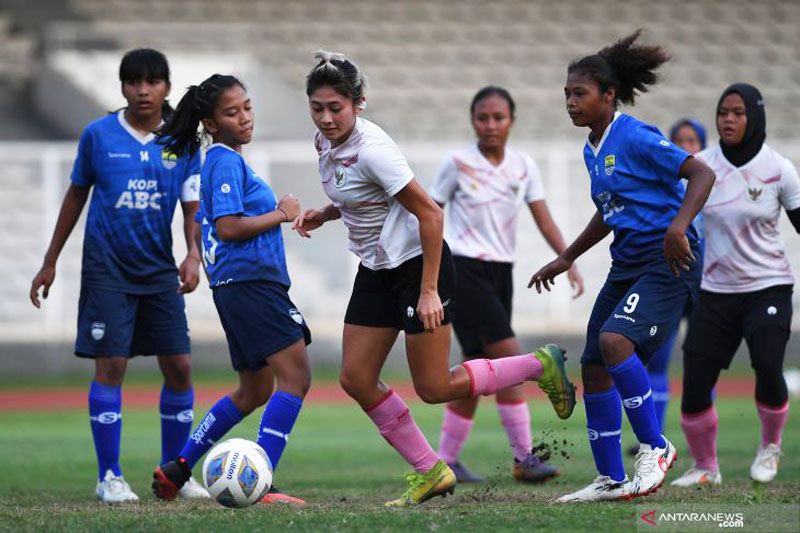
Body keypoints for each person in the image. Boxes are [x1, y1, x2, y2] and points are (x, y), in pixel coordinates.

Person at [293, 51, 576, 507]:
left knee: (434, 388)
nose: (326, 118)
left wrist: (428, 291)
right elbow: (360, 197)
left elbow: (431, 213)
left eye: (336, 108)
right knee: (356, 378)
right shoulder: (323, 142)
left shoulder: (374, 150)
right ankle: (432, 470)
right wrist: (326, 214)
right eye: (317, 108)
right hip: (377, 267)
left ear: (359, 103)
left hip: (416, 265)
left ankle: (539, 365)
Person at [530, 31, 716, 502]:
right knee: (594, 364)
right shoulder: (591, 148)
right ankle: (610, 478)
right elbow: (609, 211)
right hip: (627, 261)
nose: (570, 102)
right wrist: (568, 256)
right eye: (567, 94)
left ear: (608, 95)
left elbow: (702, 173)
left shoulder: (634, 135)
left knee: (615, 341)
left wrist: (679, 227)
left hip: (667, 259)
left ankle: (656, 447)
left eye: (580, 93)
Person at [29, 48, 208, 503]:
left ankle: (175, 473)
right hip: (107, 271)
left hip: (159, 271)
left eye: (152, 81)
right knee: (112, 366)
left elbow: (192, 206)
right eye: (133, 82)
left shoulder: (181, 142)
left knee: (180, 367)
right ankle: (109, 476)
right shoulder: (98, 135)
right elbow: (75, 196)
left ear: (167, 87)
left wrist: (193, 255)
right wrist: (50, 260)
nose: (142, 90)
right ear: (123, 87)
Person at [150, 74, 312, 505]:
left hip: (237, 286)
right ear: (210, 123)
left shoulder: (225, 160)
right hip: (251, 284)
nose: (244, 117)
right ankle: (263, 482)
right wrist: (281, 213)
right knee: (295, 377)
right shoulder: (224, 161)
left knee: (254, 391)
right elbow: (228, 227)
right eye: (231, 112)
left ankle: (178, 467)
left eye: (247, 107)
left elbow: (212, 226)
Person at [430, 86, 585, 484]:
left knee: (477, 365)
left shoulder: (523, 166)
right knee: (511, 360)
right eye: (482, 117)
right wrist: (425, 269)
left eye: (498, 117)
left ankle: (444, 461)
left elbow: (543, 218)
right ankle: (523, 458)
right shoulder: (457, 163)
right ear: (473, 121)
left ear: (511, 120)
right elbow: (430, 213)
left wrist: (567, 260)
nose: (490, 125)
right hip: (463, 270)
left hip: (501, 274)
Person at [672, 83, 800, 487]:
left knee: (767, 364)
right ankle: (705, 467)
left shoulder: (779, 168)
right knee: (695, 382)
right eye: (722, 112)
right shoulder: (702, 166)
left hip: (768, 287)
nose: (727, 119)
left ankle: (770, 446)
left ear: (755, 117)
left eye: (738, 113)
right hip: (716, 292)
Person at [626, 117, 708, 457]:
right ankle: (653, 438)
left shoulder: (710, 183)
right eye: (680, 141)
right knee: (658, 360)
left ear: (703, 145)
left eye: (692, 140)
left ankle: (703, 442)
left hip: (705, 281)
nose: (686, 146)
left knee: (701, 362)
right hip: (670, 276)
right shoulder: (662, 183)